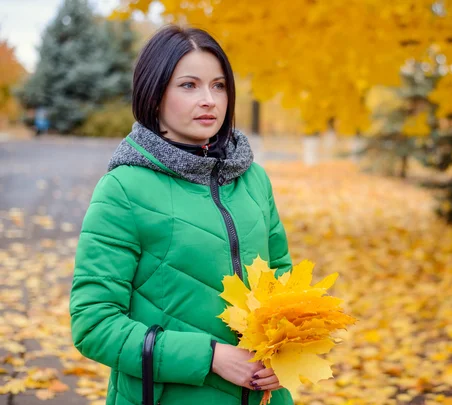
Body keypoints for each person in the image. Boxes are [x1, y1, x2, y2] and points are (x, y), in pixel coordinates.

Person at [69, 25, 294, 405]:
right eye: (189, 85)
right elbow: (94, 324)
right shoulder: (124, 189)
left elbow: (284, 284)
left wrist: (286, 348)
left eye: (219, 85)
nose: (209, 100)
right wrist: (209, 358)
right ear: (155, 96)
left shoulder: (253, 179)